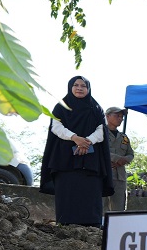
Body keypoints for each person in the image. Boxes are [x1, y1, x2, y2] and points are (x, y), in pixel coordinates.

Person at [40, 76, 114, 226]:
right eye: (76, 85)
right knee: (67, 191)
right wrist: (75, 138)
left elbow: (101, 131)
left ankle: (91, 225)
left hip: (91, 160)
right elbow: (56, 127)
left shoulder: (96, 108)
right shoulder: (61, 107)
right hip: (65, 159)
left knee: (90, 192)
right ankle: (65, 224)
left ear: (88, 89)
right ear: (70, 87)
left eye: (83, 86)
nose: (79, 88)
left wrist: (86, 142)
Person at [103, 106, 134, 212]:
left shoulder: (123, 137)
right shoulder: (100, 133)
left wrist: (124, 160)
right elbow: (99, 150)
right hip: (104, 174)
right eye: (117, 116)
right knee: (101, 205)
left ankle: (116, 228)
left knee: (119, 208)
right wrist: (117, 158)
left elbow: (130, 154)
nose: (120, 119)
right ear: (107, 116)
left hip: (120, 176)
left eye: (121, 117)